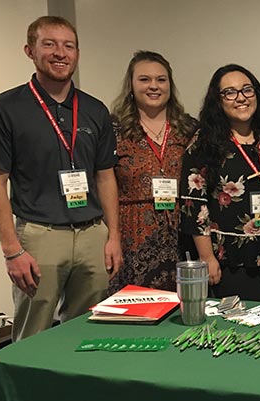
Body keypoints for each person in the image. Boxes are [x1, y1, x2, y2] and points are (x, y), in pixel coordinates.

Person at [0, 16, 121, 341]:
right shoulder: (5, 108)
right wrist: (12, 250)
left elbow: (105, 177)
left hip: (91, 236)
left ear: (77, 53)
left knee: (89, 333)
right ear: (30, 50)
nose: (60, 53)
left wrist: (113, 236)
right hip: (39, 237)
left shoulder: (95, 110)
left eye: (68, 46)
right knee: (33, 335)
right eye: (50, 44)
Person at [180, 64, 260, 302]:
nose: (240, 98)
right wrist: (207, 257)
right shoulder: (204, 144)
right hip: (230, 260)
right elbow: (194, 204)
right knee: (239, 328)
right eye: (230, 92)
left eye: (247, 90)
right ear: (218, 101)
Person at [108, 51, 197, 293]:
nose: (154, 86)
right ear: (131, 84)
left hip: (181, 232)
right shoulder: (113, 129)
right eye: (144, 79)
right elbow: (104, 184)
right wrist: (111, 237)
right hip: (131, 235)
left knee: (183, 308)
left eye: (161, 79)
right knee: (136, 310)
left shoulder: (189, 128)